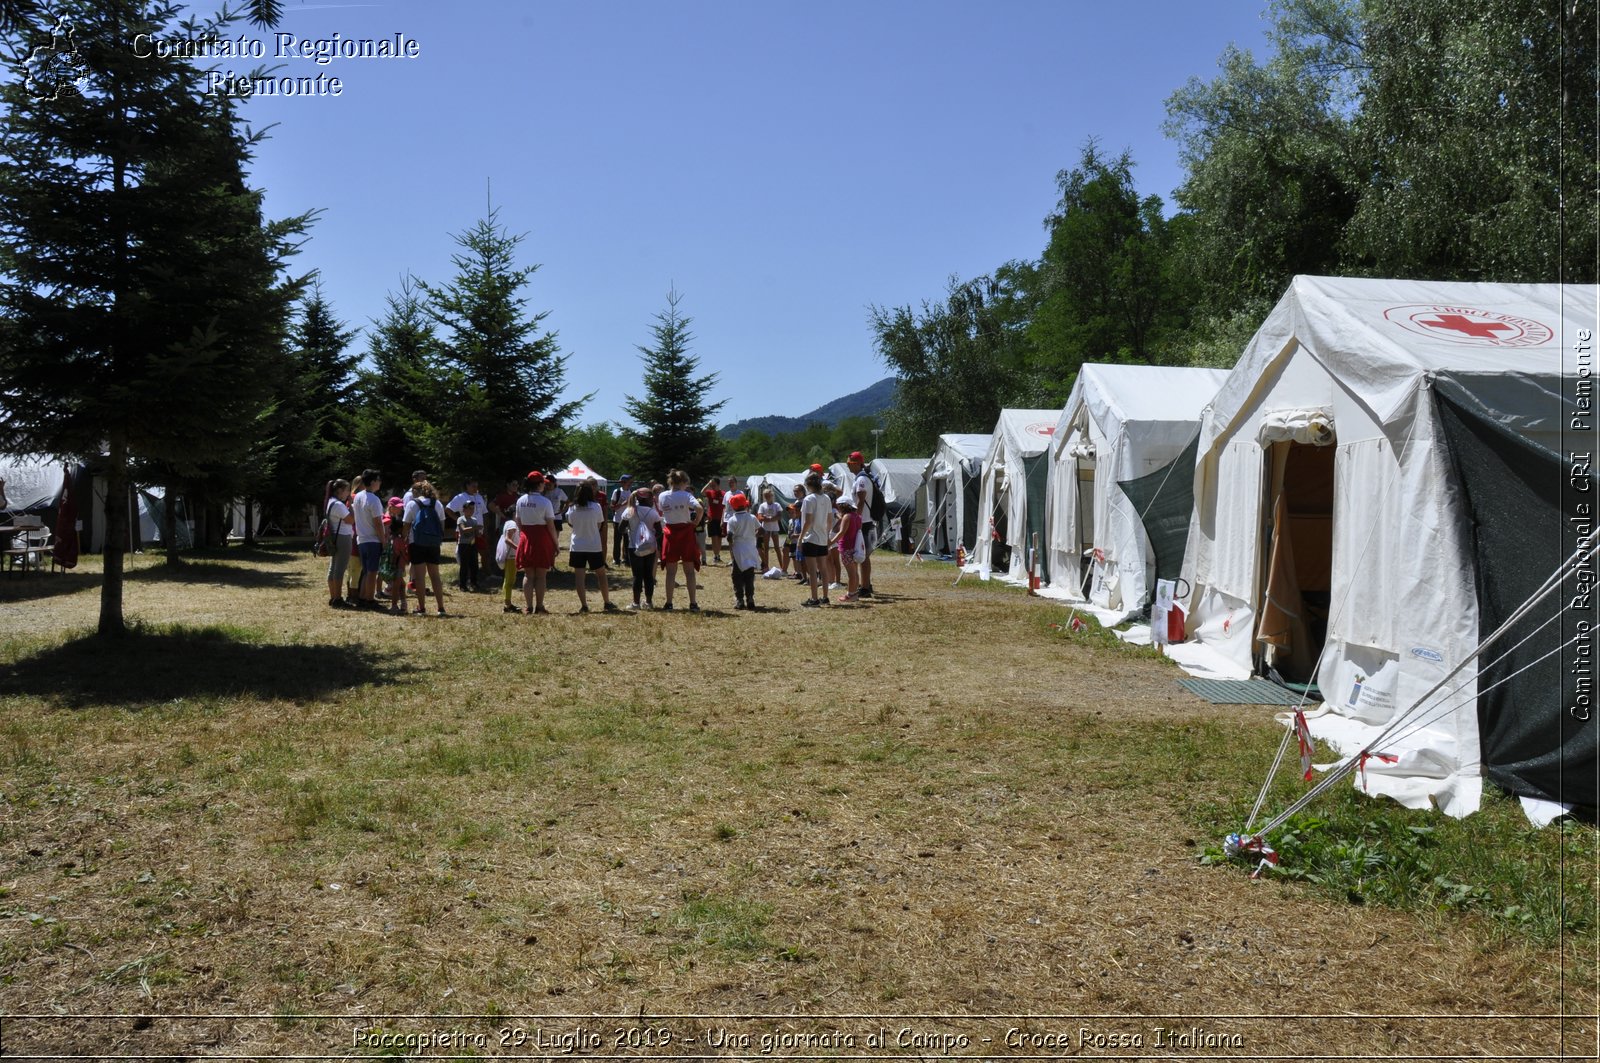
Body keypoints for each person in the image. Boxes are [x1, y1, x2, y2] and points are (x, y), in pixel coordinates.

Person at [567, 479, 616, 613]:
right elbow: (599, 524)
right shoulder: (596, 507)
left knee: (579, 577)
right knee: (601, 574)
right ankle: (606, 602)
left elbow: (571, 523)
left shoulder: (572, 508)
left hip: (577, 546)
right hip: (593, 545)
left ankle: (584, 605)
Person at [658, 469, 703, 611]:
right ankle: (693, 603)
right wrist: (695, 522)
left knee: (671, 572)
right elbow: (700, 508)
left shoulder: (662, 496)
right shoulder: (686, 495)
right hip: (685, 532)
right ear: (683, 482)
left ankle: (669, 603)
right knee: (689, 571)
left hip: (670, 533)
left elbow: (662, 511)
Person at [403, 479, 449, 616]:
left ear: (417, 491)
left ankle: (421, 608)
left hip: (416, 542)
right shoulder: (438, 504)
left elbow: (406, 525)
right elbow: (442, 525)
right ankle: (441, 608)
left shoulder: (412, 504)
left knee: (420, 577)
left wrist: (404, 538)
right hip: (433, 543)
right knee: (435, 575)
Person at [515, 471, 558, 615]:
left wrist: (524, 534)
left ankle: (528, 607)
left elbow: (518, 521)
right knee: (541, 575)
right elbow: (551, 525)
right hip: (542, 538)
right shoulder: (545, 502)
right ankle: (539, 606)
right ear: (539, 484)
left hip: (526, 537)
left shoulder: (521, 500)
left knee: (528, 575)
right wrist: (556, 543)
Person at [621, 485, 662, 609]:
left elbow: (620, 528)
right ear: (648, 499)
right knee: (648, 575)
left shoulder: (630, 511)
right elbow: (659, 531)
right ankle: (649, 602)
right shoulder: (653, 513)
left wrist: (631, 530)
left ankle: (636, 603)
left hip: (634, 547)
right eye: (652, 498)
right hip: (650, 547)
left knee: (637, 575)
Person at [846, 451, 880, 597]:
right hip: (865, 521)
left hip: (864, 522)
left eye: (851, 464)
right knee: (862, 555)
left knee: (863, 556)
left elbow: (860, 501)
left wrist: (856, 519)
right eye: (848, 464)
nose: (849, 466)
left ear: (858, 464)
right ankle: (866, 584)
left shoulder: (861, 480)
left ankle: (865, 587)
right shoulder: (861, 478)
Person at [351, 469, 386, 610]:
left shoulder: (358, 496)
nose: (380, 483)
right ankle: (370, 600)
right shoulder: (374, 499)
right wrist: (383, 540)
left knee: (366, 571)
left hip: (362, 539)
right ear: (372, 482)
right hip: (372, 540)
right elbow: (378, 522)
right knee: (372, 572)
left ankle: (363, 597)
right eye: (378, 480)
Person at [446, 479, 489, 588]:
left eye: (476, 485)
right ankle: (465, 580)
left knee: (482, 553)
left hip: (479, 531)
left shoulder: (479, 497)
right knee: (465, 556)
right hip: (466, 533)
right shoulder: (460, 497)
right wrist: (459, 519)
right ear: (467, 486)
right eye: (473, 486)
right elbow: (448, 509)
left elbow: (484, 513)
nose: (475, 488)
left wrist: (484, 528)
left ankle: (481, 576)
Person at [798, 471, 832, 607]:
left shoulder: (809, 499)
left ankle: (814, 598)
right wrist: (827, 533)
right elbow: (830, 520)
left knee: (812, 571)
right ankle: (825, 597)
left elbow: (808, 521)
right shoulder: (827, 498)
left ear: (808, 485)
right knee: (823, 569)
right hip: (823, 537)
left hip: (811, 538)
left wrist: (800, 538)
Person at [724, 491, 761, 610]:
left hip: (738, 550)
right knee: (749, 575)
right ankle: (750, 598)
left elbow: (730, 535)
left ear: (733, 507)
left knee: (737, 576)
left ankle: (740, 600)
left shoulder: (732, 520)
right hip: (750, 548)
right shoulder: (752, 517)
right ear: (745, 505)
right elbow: (761, 530)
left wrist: (731, 542)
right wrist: (753, 535)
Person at [323, 479, 356, 609]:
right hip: (343, 538)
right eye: (347, 490)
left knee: (333, 568)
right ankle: (338, 598)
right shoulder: (339, 505)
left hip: (335, 538)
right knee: (340, 569)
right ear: (340, 491)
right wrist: (351, 506)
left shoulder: (330, 502)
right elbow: (351, 520)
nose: (348, 493)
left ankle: (333, 597)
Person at [831, 495, 864, 603]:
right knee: (855, 572)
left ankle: (851, 594)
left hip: (846, 547)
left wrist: (830, 543)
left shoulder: (847, 517)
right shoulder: (857, 516)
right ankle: (854, 593)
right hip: (855, 547)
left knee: (851, 574)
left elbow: (841, 532)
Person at [382, 496, 410, 614]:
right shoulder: (398, 541)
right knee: (397, 585)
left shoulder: (391, 540)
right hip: (397, 567)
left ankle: (403, 603)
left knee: (401, 584)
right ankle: (394, 605)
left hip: (393, 567)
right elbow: (403, 554)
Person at [455, 499, 483, 593]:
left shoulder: (474, 520)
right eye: (469, 509)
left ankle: (474, 582)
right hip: (463, 545)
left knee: (474, 564)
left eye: (472, 509)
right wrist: (475, 528)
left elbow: (476, 533)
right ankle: (463, 585)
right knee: (464, 565)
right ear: (464, 510)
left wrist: (479, 532)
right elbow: (463, 530)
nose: (471, 511)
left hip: (472, 544)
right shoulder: (461, 519)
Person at [756, 486, 784, 573]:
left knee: (777, 547)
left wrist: (768, 518)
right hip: (765, 529)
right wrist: (771, 518)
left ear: (772, 496)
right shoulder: (762, 505)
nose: (768, 497)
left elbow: (779, 516)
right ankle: (766, 566)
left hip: (775, 528)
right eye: (766, 496)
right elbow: (760, 517)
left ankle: (783, 567)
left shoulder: (777, 505)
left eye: (769, 496)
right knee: (766, 548)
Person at [495, 516, 521, 613]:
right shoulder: (512, 524)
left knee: (509, 580)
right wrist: (518, 549)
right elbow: (507, 539)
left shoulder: (509, 523)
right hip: (511, 556)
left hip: (511, 556)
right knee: (509, 581)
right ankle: (507, 604)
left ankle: (508, 603)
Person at [609, 473, 634, 567]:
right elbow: (612, 507)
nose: (630, 484)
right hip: (618, 520)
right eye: (629, 482)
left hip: (628, 520)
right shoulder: (617, 491)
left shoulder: (631, 492)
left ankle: (627, 559)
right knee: (617, 540)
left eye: (631, 482)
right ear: (623, 483)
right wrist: (623, 504)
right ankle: (616, 559)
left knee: (628, 541)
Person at [701, 476, 726, 565]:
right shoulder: (710, 492)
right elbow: (702, 492)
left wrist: (724, 519)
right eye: (712, 485)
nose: (712, 486)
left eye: (714, 485)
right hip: (712, 518)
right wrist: (708, 483)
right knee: (714, 537)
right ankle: (715, 555)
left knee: (719, 537)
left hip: (720, 519)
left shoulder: (723, 494)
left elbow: (725, 506)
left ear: (718, 484)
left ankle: (718, 555)